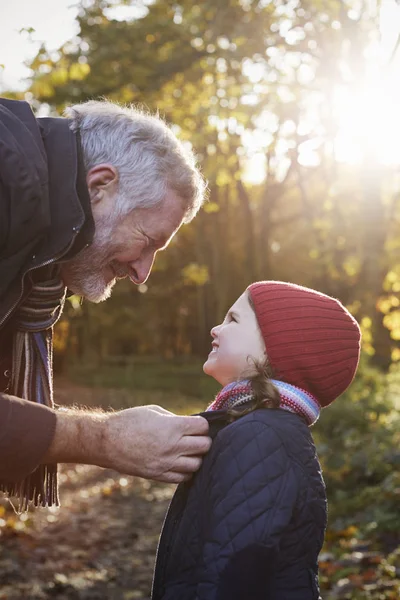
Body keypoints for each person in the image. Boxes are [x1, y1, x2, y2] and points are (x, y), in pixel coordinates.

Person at [0, 97, 211, 511]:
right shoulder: (7, 187)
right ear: (100, 186)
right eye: (148, 242)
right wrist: (105, 439)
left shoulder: (35, 253)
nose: (142, 274)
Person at [152, 281, 361, 600]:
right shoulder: (255, 427)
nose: (215, 329)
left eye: (232, 320)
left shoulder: (262, 434)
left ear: (277, 347)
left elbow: (233, 575)